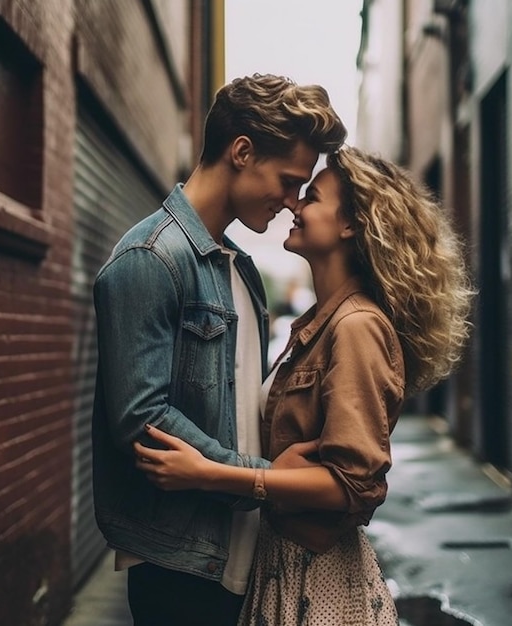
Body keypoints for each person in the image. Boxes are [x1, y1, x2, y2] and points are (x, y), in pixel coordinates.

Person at [134, 146, 475, 625]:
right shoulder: (319, 323)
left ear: (351, 224)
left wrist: (210, 473)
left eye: (311, 197)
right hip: (283, 567)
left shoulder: (356, 326)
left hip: (319, 583)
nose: (294, 205)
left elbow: (354, 483)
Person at [91, 73, 347, 626]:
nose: (291, 202)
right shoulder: (149, 260)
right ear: (242, 151)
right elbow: (142, 421)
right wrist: (260, 478)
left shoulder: (239, 269)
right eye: (286, 181)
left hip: (240, 557)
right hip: (179, 567)